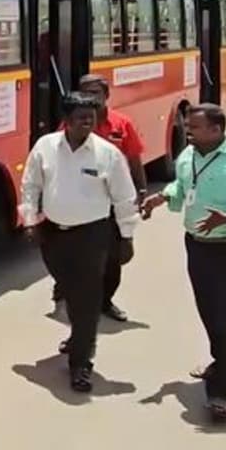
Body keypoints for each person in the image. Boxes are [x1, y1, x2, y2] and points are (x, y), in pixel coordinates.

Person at [141, 103, 226, 423]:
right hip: (196, 245)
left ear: (216, 130)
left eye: (195, 127)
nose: (187, 130)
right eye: (188, 125)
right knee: (209, 313)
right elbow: (183, 187)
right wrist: (164, 196)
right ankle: (220, 361)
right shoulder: (188, 156)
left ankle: (223, 394)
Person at [19, 92, 139, 392]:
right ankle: (79, 338)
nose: (88, 122)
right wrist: (30, 221)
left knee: (86, 298)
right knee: (71, 292)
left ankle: (81, 363)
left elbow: (124, 197)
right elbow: (31, 185)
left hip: (92, 236)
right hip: (53, 235)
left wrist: (126, 236)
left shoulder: (108, 154)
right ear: (66, 120)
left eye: (92, 117)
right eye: (81, 117)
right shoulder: (45, 146)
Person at [51, 74, 150, 322]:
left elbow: (134, 159)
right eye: (85, 92)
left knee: (113, 257)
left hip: (113, 201)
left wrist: (141, 190)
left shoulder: (122, 124)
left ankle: (105, 301)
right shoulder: (70, 124)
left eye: (95, 93)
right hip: (79, 200)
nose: (90, 98)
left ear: (106, 95)